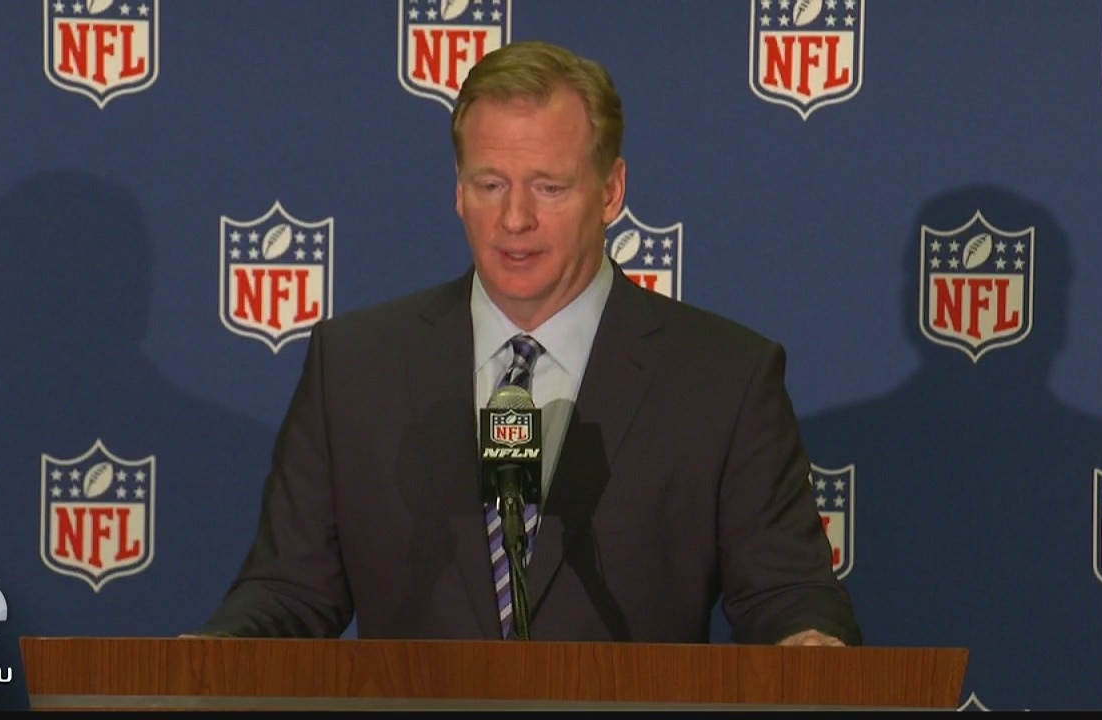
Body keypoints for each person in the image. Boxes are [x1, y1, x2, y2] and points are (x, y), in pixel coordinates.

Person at [195, 40, 861, 647]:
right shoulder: (355, 367)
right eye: (490, 185)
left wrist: (810, 644)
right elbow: (289, 590)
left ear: (611, 191)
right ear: (459, 192)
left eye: (549, 187)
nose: (515, 219)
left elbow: (786, 595)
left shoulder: (723, 378)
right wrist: (217, 652)